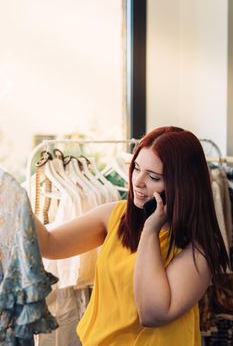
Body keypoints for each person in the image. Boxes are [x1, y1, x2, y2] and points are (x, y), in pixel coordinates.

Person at [35, 126, 229, 346]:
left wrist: (150, 231)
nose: (138, 181)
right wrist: (14, 197)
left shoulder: (198, 250)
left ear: (182, 185)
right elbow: (49, 244)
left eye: (153, 177)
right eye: (136, 168)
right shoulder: (115, 216)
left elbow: (152, 314)